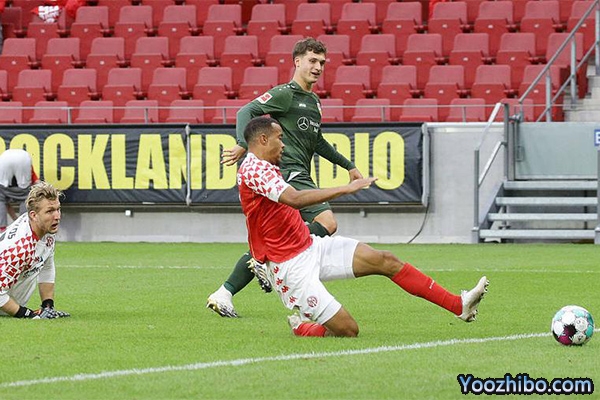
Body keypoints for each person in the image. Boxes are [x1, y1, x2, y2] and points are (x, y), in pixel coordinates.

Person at [237, 117, 488, 337]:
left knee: (385, 260)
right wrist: (347, 188)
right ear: (263, 139)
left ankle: (459, 305)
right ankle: (302, 327)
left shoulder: (265, 166)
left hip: (310, 246)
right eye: (280, 138)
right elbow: (293, 198)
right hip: (289, 266)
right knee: (348, 330)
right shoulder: (253, 169)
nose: (283, 144)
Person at [207, 37, 363, 317]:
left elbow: (317, 142)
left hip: (300, 172)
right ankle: (269, 261)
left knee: (284, 237)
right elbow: (246, 111)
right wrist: (244, 144)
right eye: (312, 61)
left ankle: (225, 292)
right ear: (297, 62)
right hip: (290, 173)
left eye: (322, 62)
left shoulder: (313, 101)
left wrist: (348, 165)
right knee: (327, 222)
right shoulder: (285, 94)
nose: (318, 67)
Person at [0, 181, 70, 319]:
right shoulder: (20, 248)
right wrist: (28, 314)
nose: (57, 216)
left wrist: (47, 307)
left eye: (58, 209)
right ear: (33, 215)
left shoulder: (46, 227)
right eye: (50, 211)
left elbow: (47, 266)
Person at [0, 149, 40, 233]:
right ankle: (23, 227)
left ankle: (2, 229)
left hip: (4, 159)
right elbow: (36, 181)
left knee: (1, 200)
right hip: (23, 160)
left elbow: (6, 205)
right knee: (26, 199)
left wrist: (15, 221)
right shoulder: (25, 163)